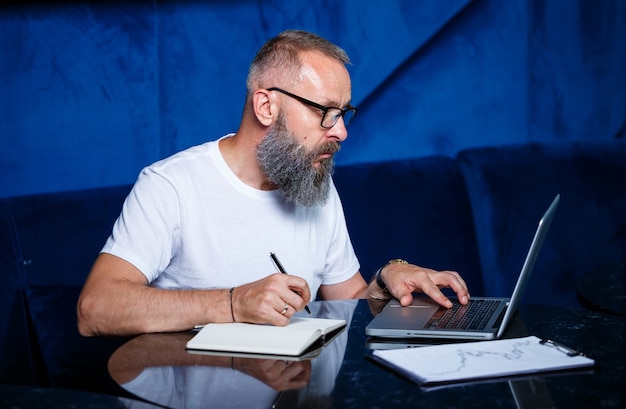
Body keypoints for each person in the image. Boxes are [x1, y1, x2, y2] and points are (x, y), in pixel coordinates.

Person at [77, 29, 469, 337]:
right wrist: (233, 303)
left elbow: (347, 302)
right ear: (267, 106)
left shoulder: (315, 185)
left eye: (344, 113)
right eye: (325, 112)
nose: (342, 133)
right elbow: (96, 308)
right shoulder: (171, 185)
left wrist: (385, 282)